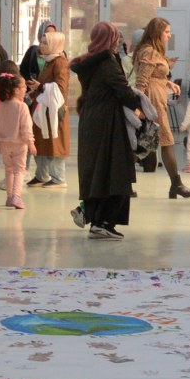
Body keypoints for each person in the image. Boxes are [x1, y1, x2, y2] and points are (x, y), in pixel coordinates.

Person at [70, 22, 140, 238]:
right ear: (110, 39)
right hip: (108, 122)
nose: (118, 41)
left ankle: (92, 214)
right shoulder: (107, 62)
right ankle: (103, 222)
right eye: (116, 37)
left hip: (91, 120)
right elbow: (123, 91)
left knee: (98, 172)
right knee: (116, 171)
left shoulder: (89, 61)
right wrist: (141, 102)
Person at [134, 18, 190, 198]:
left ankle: (175, 185)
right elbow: (141, 81)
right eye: (166, 32)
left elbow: (153, 76)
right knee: (164, 140)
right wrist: (137, 107)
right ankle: (176, 184)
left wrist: (167, 83)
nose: (169, 36)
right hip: (152, 102)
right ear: (157, 33)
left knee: (146, 142)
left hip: (157, 99)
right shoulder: (149, 52)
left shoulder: (154, 51)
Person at [0, 72, 33, 210]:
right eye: (23, 86)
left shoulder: (1, 107)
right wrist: (31, 143)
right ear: (16, 90)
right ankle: (16, 196)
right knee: (19, 171)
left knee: (8, 170)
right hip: (19, 144)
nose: (26, 88)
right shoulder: (22, 107)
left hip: (4, 144)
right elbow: (26, 127)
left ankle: (9, 197)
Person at [32, 49, 72, 186]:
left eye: (45, 42)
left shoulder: (60, 62)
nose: (41, 45)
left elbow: (60, 88)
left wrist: (41, 86)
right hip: (43, 108)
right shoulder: (49, 61)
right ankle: (41, 175)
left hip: (54, 110)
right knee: (42, 142)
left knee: (56, 143)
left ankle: (58, 178)